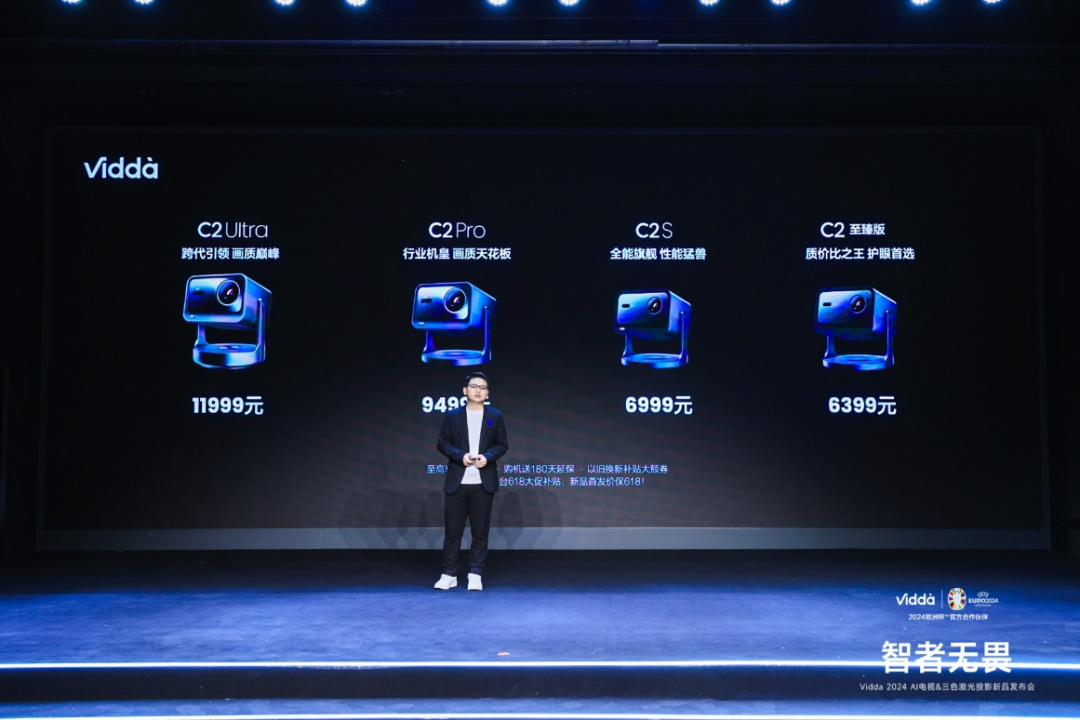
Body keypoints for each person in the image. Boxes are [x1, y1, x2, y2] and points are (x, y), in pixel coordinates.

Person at [434, 371, 508, 591]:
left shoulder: (495, 416)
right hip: (458, 482)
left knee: (480, 531)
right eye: (474, 386)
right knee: (453, 531)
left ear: (487, 393)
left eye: (483, 388)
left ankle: (475, 574)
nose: (478, 391)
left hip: (483, 483)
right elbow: (443, 443)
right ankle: (448, 574)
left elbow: (502, 445)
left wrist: (488, 457)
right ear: (465, 390)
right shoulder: (453, 416)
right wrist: (461, 456)